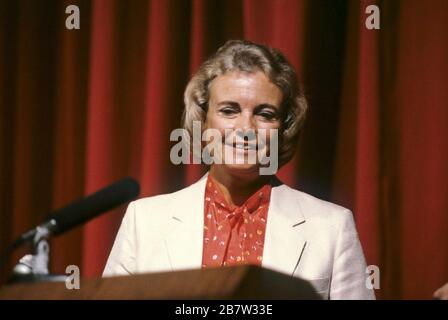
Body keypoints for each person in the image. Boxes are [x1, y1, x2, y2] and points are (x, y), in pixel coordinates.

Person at [103, 40, 375, 300]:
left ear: (284, 128)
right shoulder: (145, 222)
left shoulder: (331, 228)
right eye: (229, 110)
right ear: (203, 120)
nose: (246, 129)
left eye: (265, 114)